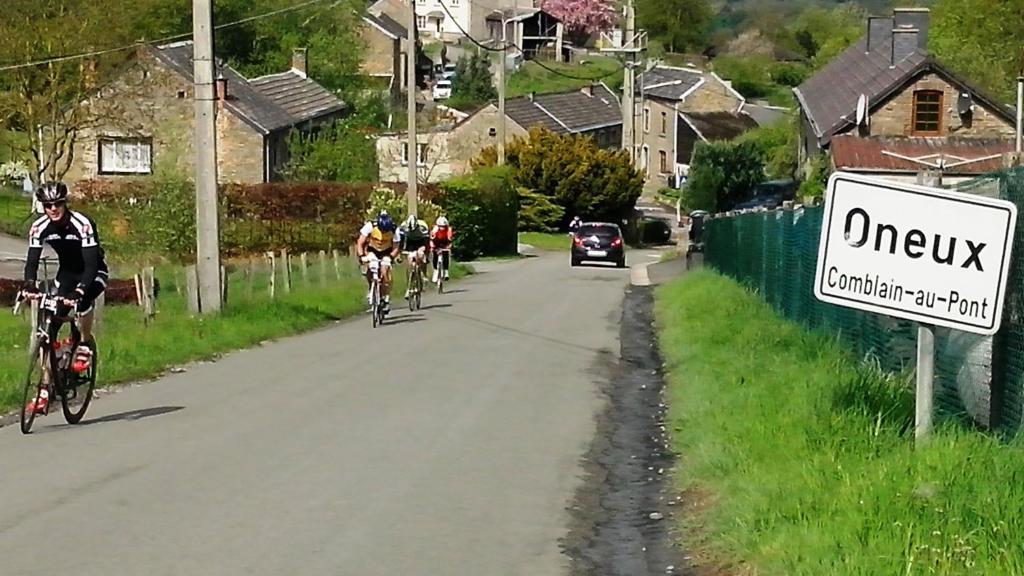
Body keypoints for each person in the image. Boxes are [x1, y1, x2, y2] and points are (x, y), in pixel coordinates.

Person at [22, 182, 108, 414]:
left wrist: (79, 291)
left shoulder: (83, 224)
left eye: (57, 204)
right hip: (67, 273)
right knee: (49, 328)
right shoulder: (39, 226)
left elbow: (91, 265)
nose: (53, 209)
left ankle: (84, 343)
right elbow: (31, 261)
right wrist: (29, 284)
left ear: (64, 203)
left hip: (93, 272)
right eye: (48, 205)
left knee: (83, 300)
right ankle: (44, 388)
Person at [356, 210, 400, 314]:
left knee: (385, 272)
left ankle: (385, 297)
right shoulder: (370, 226)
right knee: (370, 268)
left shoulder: (394, 229)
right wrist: (362, 256)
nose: (383, 234)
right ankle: (371, 287)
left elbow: (396, 247)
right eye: (382, 231)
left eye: (386, 231)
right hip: (372, 250)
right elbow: (360, 242)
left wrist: (391, 257)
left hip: (386, 252)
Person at [397, 214, 430, 299]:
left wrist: (426, 254)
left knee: (421, 255)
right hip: (410, 244)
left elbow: (427, 243)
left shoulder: (423, 227)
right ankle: (408, 288)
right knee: (410, 262)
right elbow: (401, 242)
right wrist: (400, 254)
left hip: (420, 242)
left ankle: (424, 275)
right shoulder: (403, 227)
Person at [429, 216, 454, 283]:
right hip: (436, 243)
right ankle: (435, 270)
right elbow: (431, 240)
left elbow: (450, 240)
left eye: (444, 226)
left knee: (446, 254)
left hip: (445, 243)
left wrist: (448, 247)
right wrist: (432, 247)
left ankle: (446, 271)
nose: (442, 228)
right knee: (435, 255)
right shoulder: (434, 230)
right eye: (440, 226)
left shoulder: (449, 230)